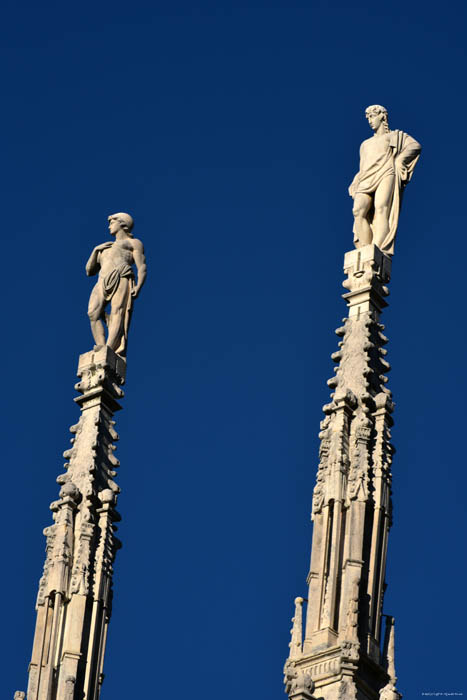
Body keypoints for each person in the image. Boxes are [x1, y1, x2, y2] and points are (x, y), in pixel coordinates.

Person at [349, 105, 421, 255]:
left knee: (381, 208)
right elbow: (362, 167)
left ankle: (377, 248)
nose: (369, 120)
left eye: (372, 116)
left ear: (382, 116)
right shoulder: (365, 144)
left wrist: (400, 159)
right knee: (358, 211)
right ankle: (364, 249)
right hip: (367, 177)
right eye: (367, 117)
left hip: (386, 172)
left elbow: (415, 146)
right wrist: (356, 180)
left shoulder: (394, 136)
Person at [86, 212, 147, 356]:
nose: (109, 227)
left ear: (122, 223)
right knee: (93, 313)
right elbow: (89, 271)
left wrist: (138, 286)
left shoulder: (133, 243)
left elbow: (142, 266)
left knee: (117, 311)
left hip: (121, 276)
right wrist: (96, 250)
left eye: (112, 222)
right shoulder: (104, 247)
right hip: (102, 279)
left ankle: (109, 348)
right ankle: (101, 346)